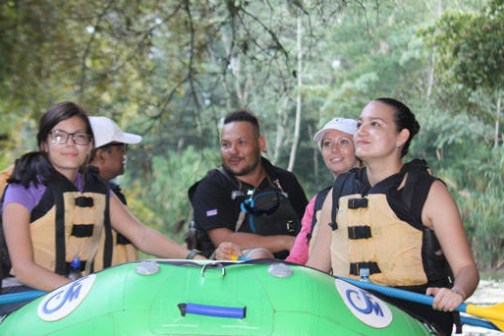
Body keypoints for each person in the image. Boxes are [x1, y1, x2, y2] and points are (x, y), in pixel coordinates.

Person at [0, 102, 204, 314]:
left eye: (79, 137)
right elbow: (24, 269)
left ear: (89, 146)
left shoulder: (97, 188)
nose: (70, 144)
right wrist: (80, 293)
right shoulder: (23, 187)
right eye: (59, 136)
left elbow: (141, 235)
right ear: (44, 144)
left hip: (74, 292)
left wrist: (193, 258)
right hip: (23, 293)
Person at [306, 98, 479, 335]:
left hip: (416, 313)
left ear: (401, 137)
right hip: (351, 311)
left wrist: (456, 292)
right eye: (360, 124)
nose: (362, 131)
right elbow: (314, 272)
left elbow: (466, 268)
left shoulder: (429, 192)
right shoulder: (337, 194)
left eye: (375, 124)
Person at [216, 118, 360, 263]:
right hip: (328, 282)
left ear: (359, 147)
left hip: (371, 282)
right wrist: (241, 257)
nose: (334, 149)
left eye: (343, 142)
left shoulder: (378, 190)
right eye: (327, 143)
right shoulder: (319, 202)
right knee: (259, 254)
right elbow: (297, 259)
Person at [188, 109, 308, 259]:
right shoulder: (211, 186)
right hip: (227, 274)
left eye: (241, 142)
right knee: (259, 255)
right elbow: (223, 239)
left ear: (260, 143)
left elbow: (309, 228)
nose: (233, 151)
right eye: (226, 144)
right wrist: (286, 242)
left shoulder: (285, 181)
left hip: (292, 271)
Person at [88, 116, 142, 267]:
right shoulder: (87, 195)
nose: (124, 154)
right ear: (101, 154)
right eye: (121, 148)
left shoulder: (109, 191)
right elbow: (142, 236)